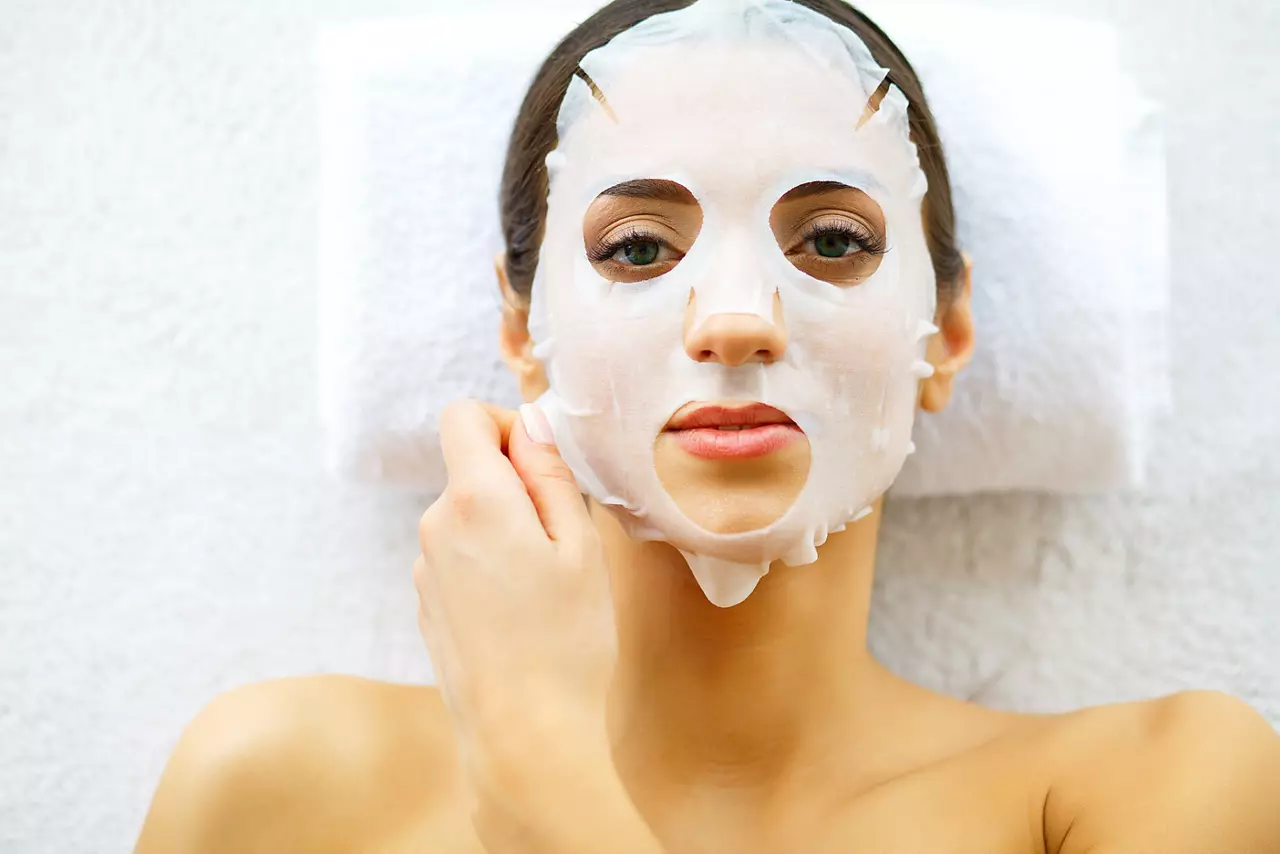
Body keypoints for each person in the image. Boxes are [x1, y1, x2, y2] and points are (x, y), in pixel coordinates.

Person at [135, 1, 1280, 851]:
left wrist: (537, 754)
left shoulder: (1147, 792)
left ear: (947, 327)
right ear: (522, 328)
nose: (735, 319)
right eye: (637, 247)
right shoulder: (278, 795)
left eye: (832, 239)